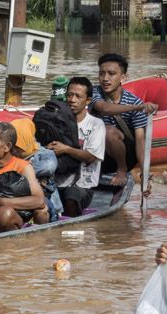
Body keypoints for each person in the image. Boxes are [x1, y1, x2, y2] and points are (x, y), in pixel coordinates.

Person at [90, 53, 157, 185]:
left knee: (108, 131)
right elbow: (104, 108)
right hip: (96, 152)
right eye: (102, 74)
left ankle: (122, 170)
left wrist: (145, 175)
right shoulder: (93, 92)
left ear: (123, 77)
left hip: (125, 156)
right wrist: (136, 108)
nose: (105, 78)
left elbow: (140, 141)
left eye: (111, 74)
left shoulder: (135, 102)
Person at [47, 76, 106, 217]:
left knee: (72, 195)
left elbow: (91, 157)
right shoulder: (55, 121)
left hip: (82, 186)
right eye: (69, 95)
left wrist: (65, 149)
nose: (72, 100)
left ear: (88, 101)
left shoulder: (95, 124)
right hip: (55, 183)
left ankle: (71, 226)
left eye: (78, 96)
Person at [0, 122, 49, 232]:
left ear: (7, 147)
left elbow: (39, 201)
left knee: (42, 210)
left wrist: (4, 202)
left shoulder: (23, 167)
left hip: (15, 217)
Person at [10, 117, 61, 221]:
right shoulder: (10, 155)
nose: (14, 150)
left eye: (18, 146)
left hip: (46, 202)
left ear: (27, 140)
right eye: (12, 146)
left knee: (42, 208)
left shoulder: (45, 154)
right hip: (19, 199)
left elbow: (49, 167)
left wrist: (21, 169)